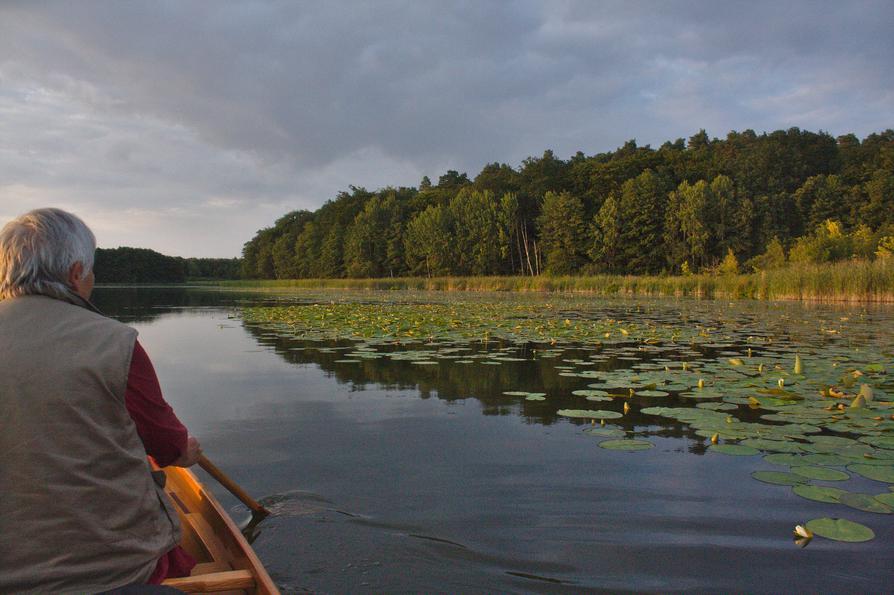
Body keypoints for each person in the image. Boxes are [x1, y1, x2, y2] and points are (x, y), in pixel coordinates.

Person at [0, 208, 201, 592]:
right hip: (108, 570)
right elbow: (167, 446)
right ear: (77, 273)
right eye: (91, 271)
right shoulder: (113, 341)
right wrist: (183, 452)